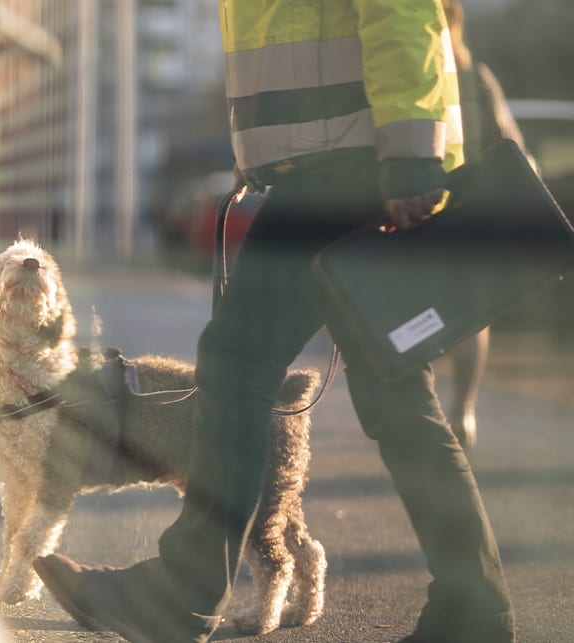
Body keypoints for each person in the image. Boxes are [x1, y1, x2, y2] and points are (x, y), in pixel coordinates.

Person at [33, 2, 516, 643]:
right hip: (339, 162)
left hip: (349, 167)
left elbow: (400, 13)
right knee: (396, 395)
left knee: (238, 365)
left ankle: (179, 596)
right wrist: (266, 145)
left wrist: (409, 159)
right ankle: (474, 609)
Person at [438, 0, 531, 451]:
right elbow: (512, 144)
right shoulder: (476, 74)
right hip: (470, 209)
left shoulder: (425, 75)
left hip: (423, 207)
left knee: (415, 307)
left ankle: (427, 410)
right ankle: (463, 409)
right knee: (472, 317)